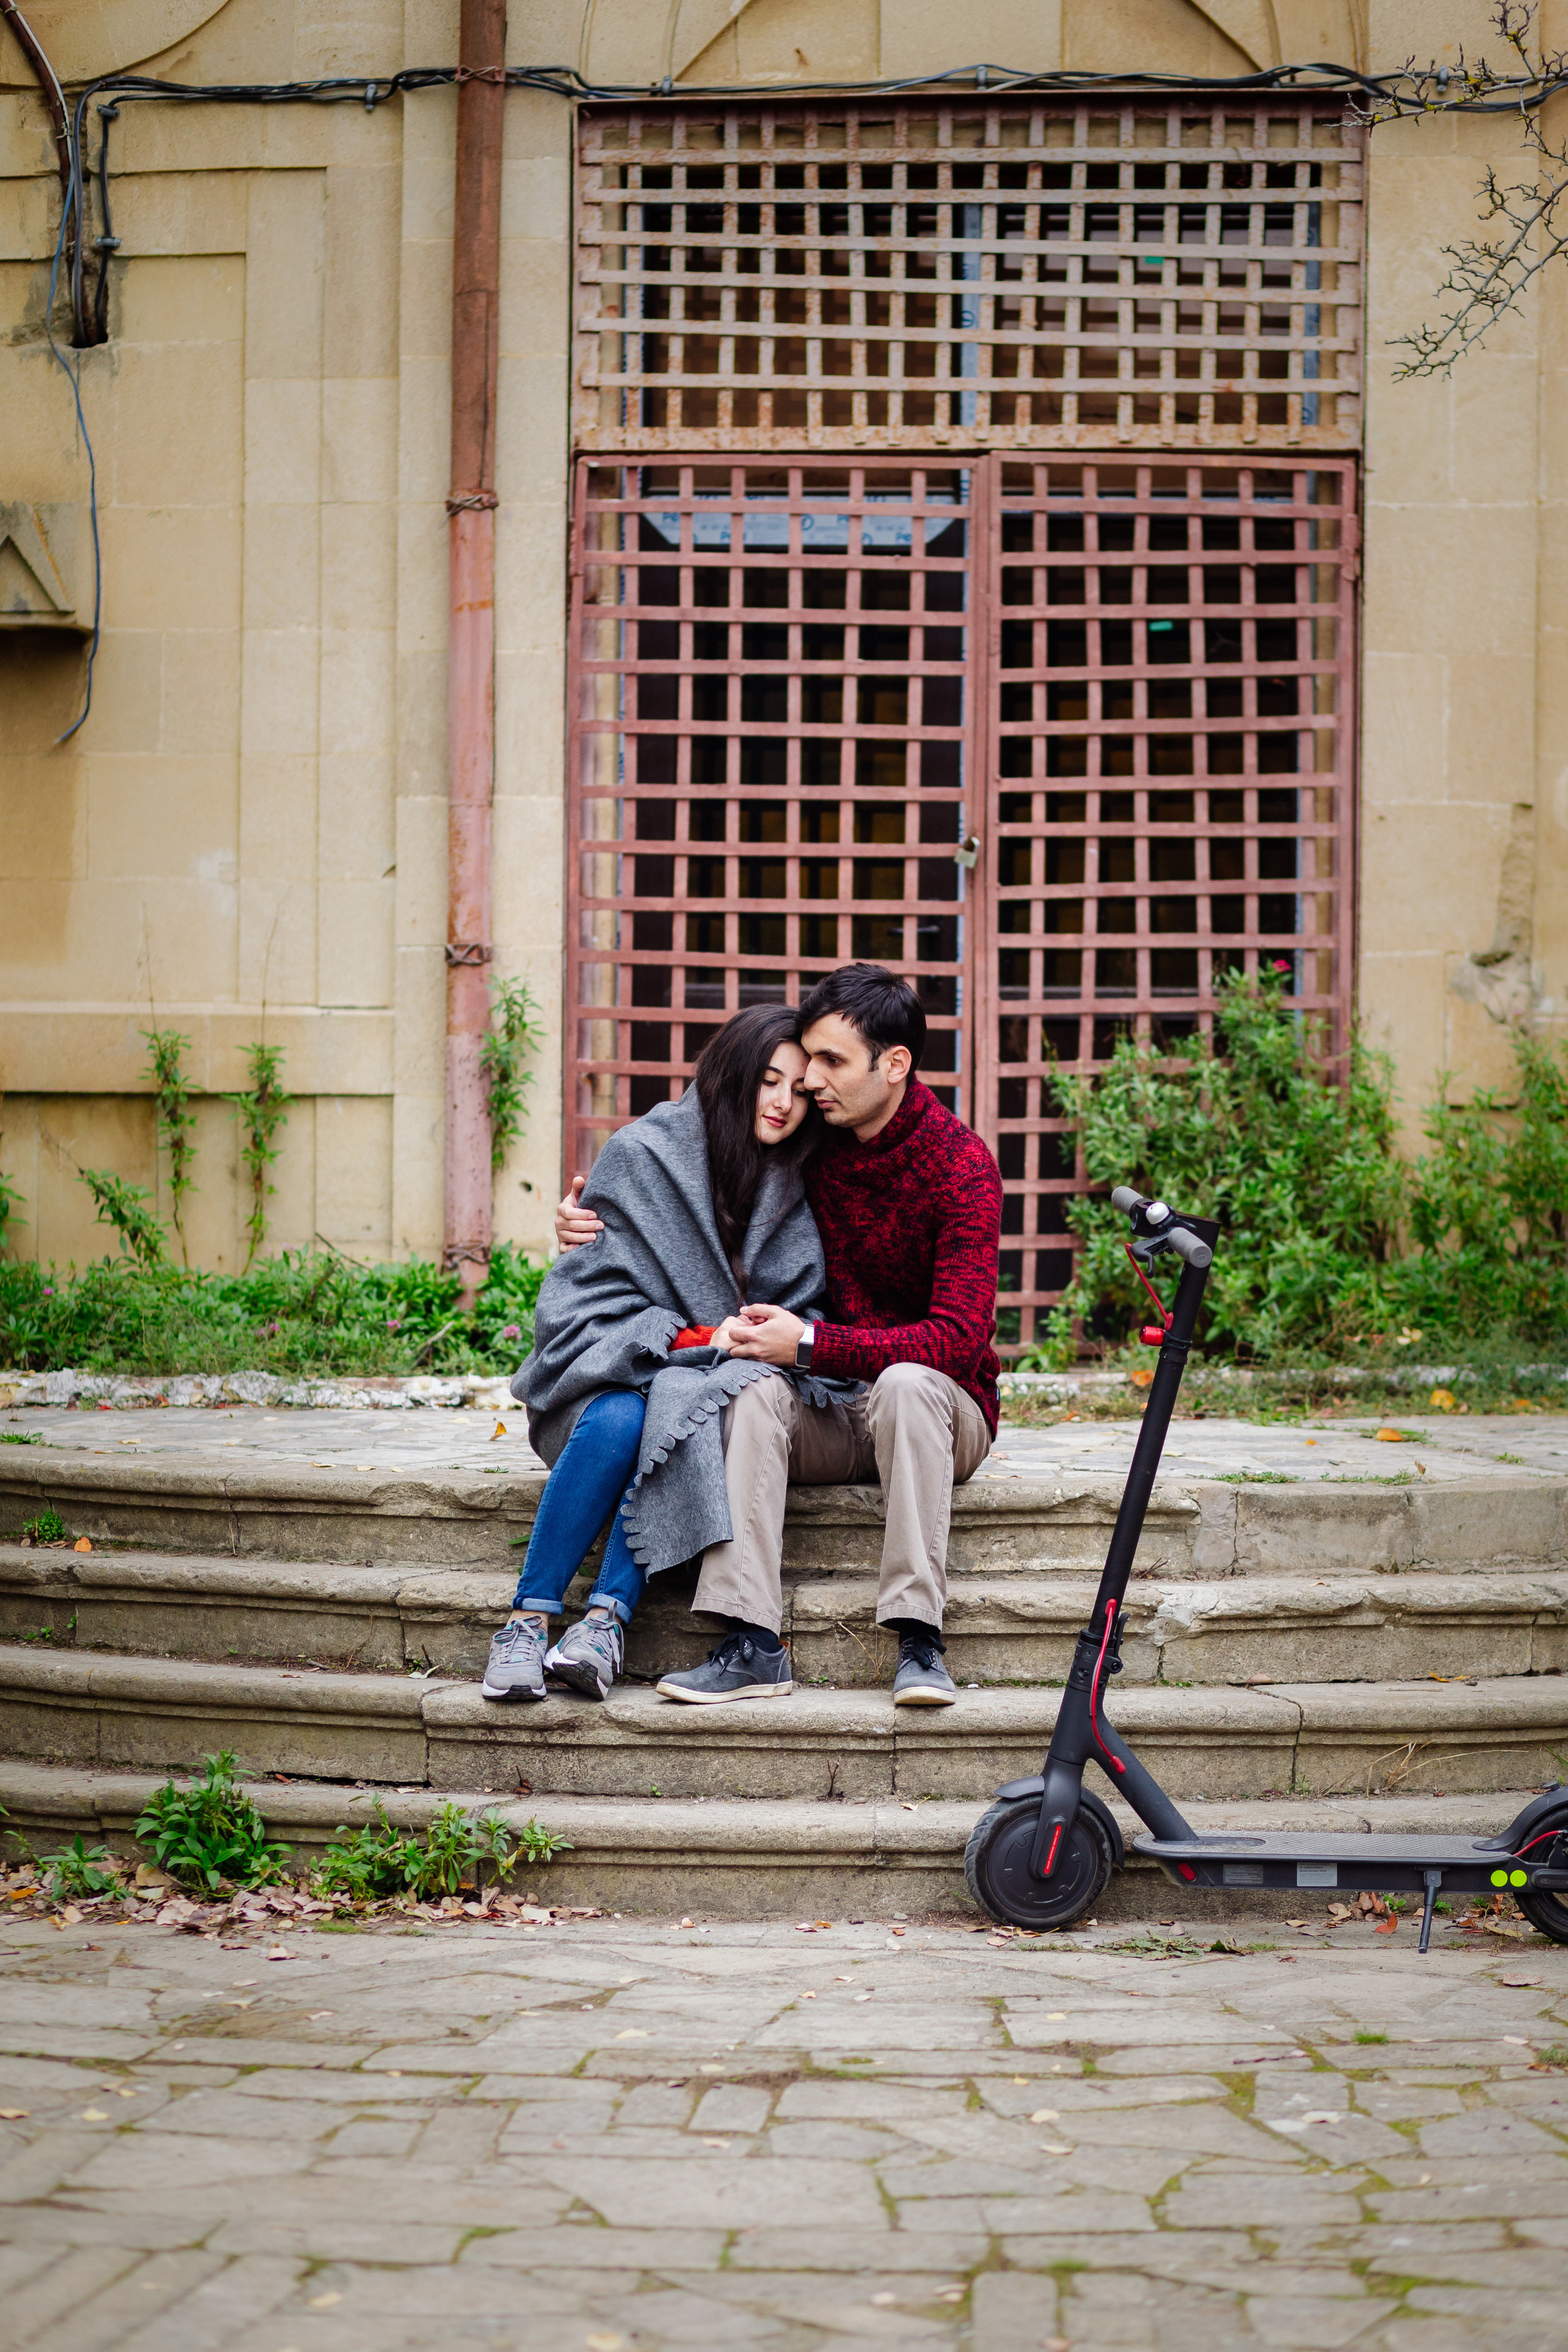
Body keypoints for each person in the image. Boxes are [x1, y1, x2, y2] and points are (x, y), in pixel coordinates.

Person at [556, 963, 1003, 1709]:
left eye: (830, 1063)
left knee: (906, 1381)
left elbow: (956, 1339)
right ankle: (752, 1641)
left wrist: (812, 1345)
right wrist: (589, 1226)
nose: (809, 1084)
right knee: (752, 1386)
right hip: (833, 1408)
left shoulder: (962, 1169)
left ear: (893, 1065)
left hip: (938, 1413)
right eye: (806, 1066)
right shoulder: (816, 1147)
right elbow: (695, 1176)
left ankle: (920, 1640)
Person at [483, 1006, 840, 1706]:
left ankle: (602, 1625)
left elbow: (805, 1309)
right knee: (625, 1418)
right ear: (733, 1075)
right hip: (601, 1382)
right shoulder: (644, 1153)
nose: (781, 1102)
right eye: (768, 1081)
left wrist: (739, 1343)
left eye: (798, 1091)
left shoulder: (798, 1185)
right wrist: (690, 1342)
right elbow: (588, 1300)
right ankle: (526, 1623)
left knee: (686, 1408)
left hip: (705, 1395)